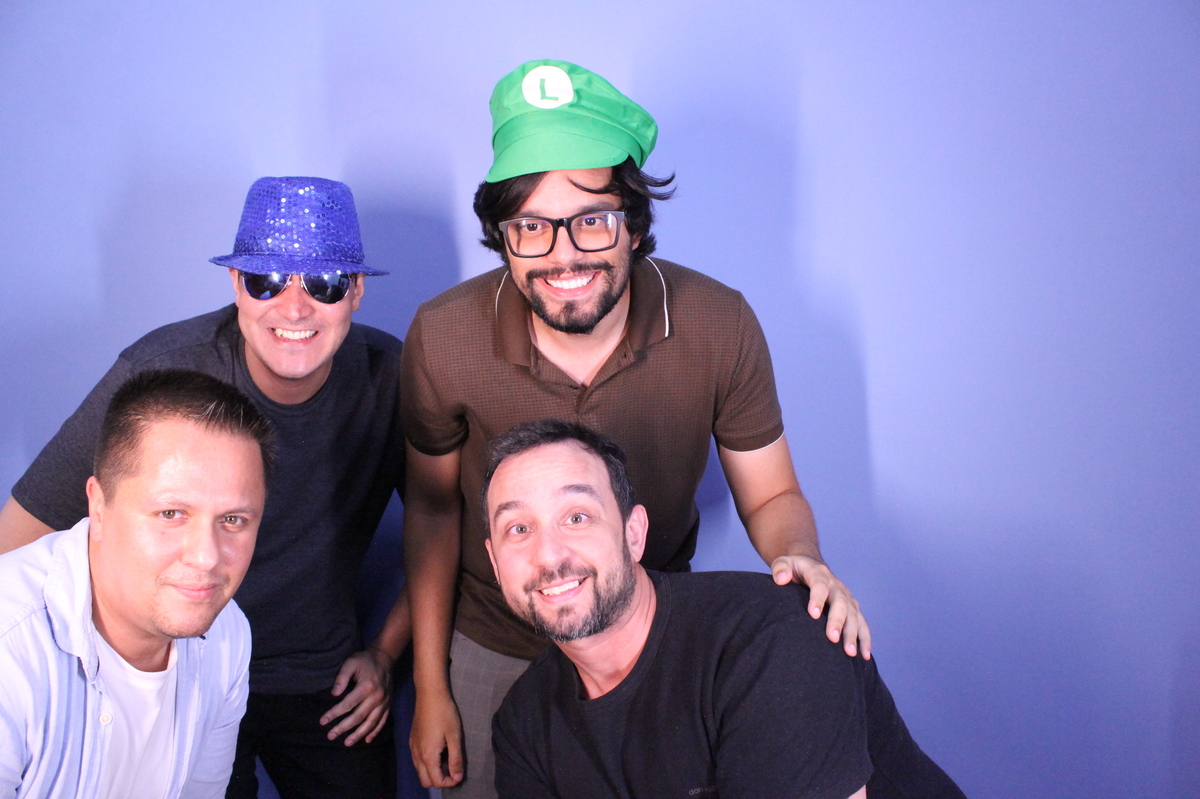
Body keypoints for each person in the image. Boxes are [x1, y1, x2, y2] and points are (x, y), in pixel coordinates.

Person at [402, 59, 870, 796]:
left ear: (635, 224)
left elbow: (772, 495)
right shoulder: (443, 335)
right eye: (532, 227)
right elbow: (432, 510)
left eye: (591, 219)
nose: (563, 255)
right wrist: (431, 685)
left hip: (651, 642)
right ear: (503, 235)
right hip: (497, 642)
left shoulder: (717, 323)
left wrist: (802, 558)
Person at [0, 177, 409, 798]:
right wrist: (47, 678)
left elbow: (440, 516)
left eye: (323, 283)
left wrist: (385, 652)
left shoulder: (389, 376)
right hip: (180, 660)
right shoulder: (160, 370)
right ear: (236, 284)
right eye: (267, 280)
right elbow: (21, 533)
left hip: (314, 675)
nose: (294, 308)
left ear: (355, 291)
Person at [484, 420, 966, 799]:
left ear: (633, 534)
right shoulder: (523, 722)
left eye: (577, 517)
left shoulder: (772, 642)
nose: (548, 555)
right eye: (518, 529)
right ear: (495, 563)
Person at [0, 369, 272, 798]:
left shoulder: (228, 633)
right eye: (171, 514)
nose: (206, 557)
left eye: (233, 520)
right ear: (99, 507)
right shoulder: (9, 650)